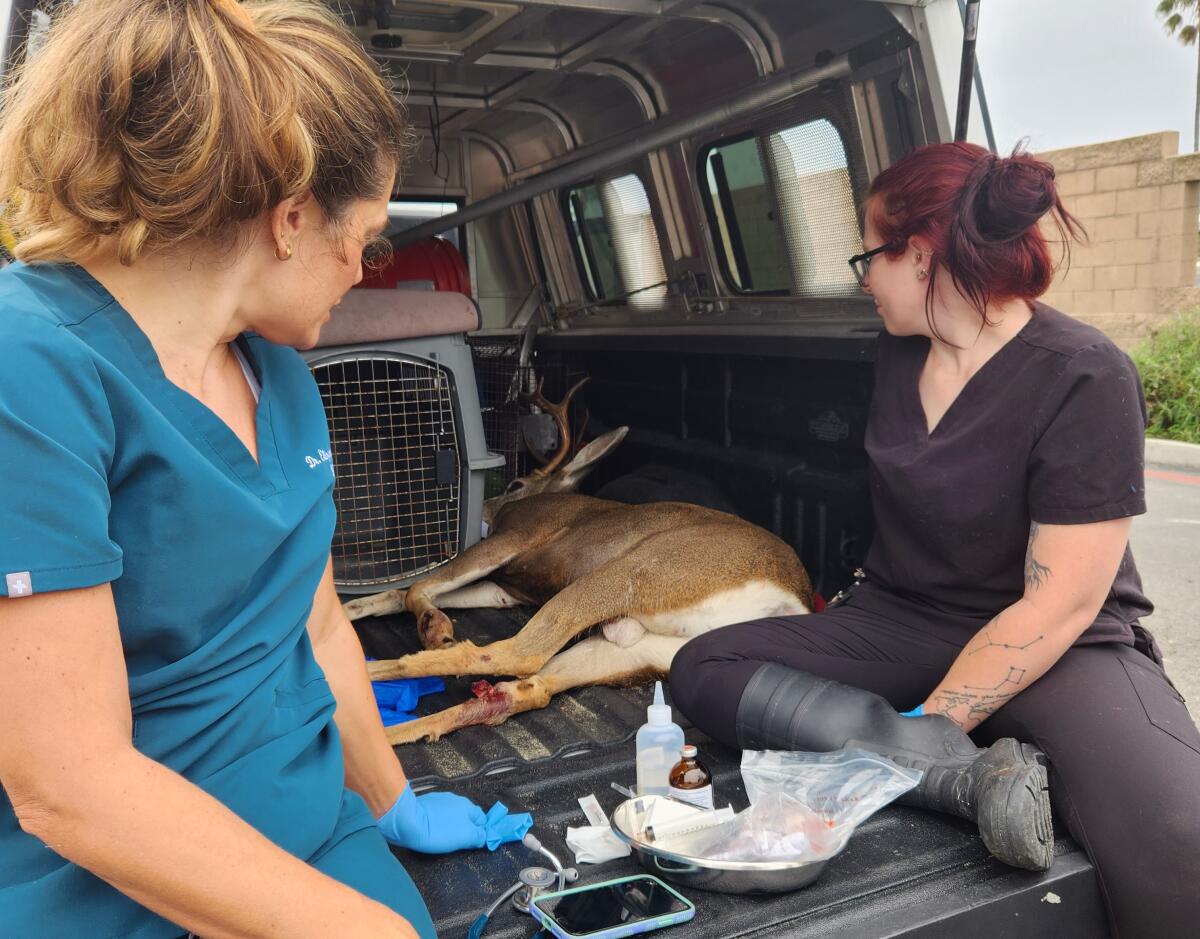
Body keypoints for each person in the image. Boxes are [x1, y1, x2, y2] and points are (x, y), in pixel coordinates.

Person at [0, 2, 529, 937]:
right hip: (119, 890)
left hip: (315, 832)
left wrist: (388, 799)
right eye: (363, 239)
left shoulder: (279, 372)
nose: (366, 268)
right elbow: (67, 784)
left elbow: (317, 621)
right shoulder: (29, 368)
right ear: (288, 219)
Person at [669, 142, 1200, 937]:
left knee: (1179, 837)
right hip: (902, 616)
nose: (861, 278)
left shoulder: (1085, 373)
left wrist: (932, 720)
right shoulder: (895, 352)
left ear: (918, 255)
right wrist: (933, 743)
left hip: (1059, 642)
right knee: (704, 667)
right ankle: (965, 781)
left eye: (867, 255)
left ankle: (932, 755)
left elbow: (1063, 600)